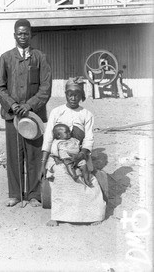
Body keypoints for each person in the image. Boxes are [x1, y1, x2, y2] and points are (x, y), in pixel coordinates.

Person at [0, 19, 52, 207]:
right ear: (14, 35)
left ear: (31, 35)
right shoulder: (5, 58)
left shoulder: (40, 57)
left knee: (34, 154)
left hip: (33, 115)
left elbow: (46, 87)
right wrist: (12, 105)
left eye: (26, 33)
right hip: (12, 115)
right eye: (19, 33)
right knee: (14, 154)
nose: (23, 36)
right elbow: (0, 87)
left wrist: (29, 105)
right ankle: (15, 194)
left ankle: (34, 194)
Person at [40, 77, 106, 226]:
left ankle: (93, 215)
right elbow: (48, 138)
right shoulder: (57, 112)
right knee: (59, 175)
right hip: (58, 157)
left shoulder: (87, 115)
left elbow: (89, 139)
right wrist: (43, 163)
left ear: (81, 95)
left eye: (76, 94)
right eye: (70, 93)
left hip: (80, 155)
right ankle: (58, 215)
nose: (73, 97)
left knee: (88, 179)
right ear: (65, 94)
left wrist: (80, 156)